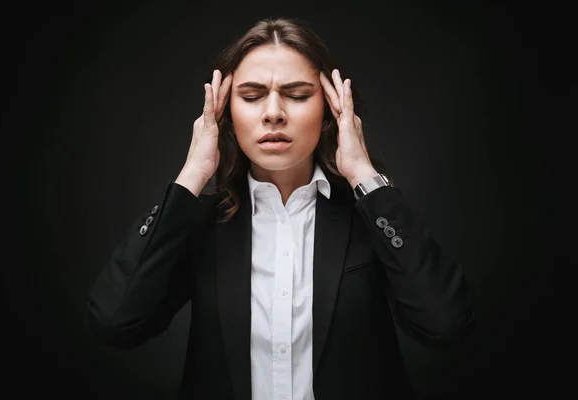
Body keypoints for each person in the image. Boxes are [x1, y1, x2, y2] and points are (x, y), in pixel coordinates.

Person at [85, 16, 475, 400]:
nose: (273, 112)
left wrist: (363, 175)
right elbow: (114, 323)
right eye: (252, 96)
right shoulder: (203, 223)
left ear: (328, 112)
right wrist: (191, 176)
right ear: (225, 114)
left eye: (298, 95)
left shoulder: (370, 215)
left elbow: (445, 324)